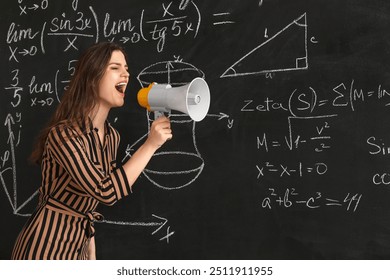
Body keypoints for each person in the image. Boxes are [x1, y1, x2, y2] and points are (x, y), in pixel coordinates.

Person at [11, 42, 172, 260]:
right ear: (92, 77)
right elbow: (105, 191)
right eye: (115, 68)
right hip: (44, 247)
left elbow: (93, 202)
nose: (126, 74)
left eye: (126, 68)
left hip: (78, 247)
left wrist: (90, 257)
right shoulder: (64, 135)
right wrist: (151, 144)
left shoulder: (111, 136)